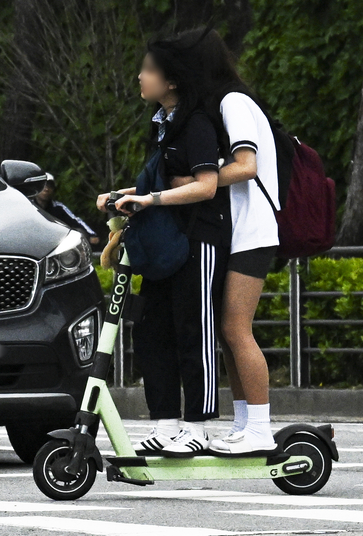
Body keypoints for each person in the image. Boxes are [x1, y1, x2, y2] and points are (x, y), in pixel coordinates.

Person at [95, 32, 231, 456]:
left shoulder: (196, 123)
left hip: (198, 238)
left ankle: (200, 426)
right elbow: (156, 184)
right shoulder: (162, 125)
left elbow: (207, 186)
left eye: (149, 70)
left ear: (172, 81)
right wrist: (122, 195)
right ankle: (167, 423)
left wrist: (148, 198)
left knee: (195, 329)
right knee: (153, 331)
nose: (140, 76)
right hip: (163, 246)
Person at [174, 29, 280, 456]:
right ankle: (242, 424)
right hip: (241, 231)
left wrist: (202, 176)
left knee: (237, 328)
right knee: (227, 329)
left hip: (254, 231)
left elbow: (248, 165)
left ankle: (259, 428)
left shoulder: (233, 102)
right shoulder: (223, 103)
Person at [34, 174, 100, 245]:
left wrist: (91, 234)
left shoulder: (58, 208)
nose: (46, 189)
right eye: (43, 186)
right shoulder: (28, 205)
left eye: (50, 186)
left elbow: (75, 221)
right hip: (32, 242)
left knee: (78, 232)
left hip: (53, 244)